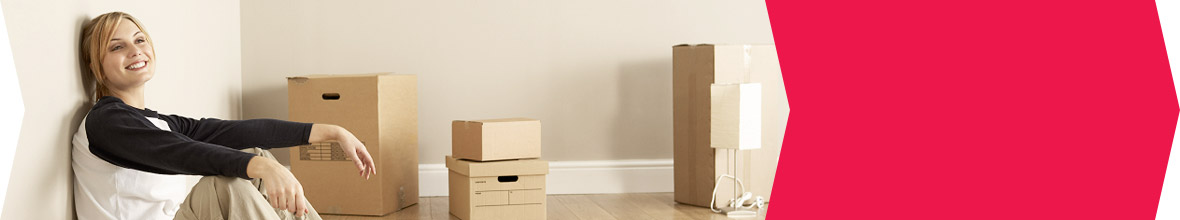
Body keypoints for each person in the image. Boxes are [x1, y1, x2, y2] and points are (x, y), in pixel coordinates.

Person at [72, 11, 376, 220]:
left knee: (256, 154)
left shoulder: (158, 122)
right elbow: (182, 153)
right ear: (96, 65)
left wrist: (332, 131)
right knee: (225, 187)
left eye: (139, 40)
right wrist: (262, 169)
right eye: (117, 47)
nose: (135, 50)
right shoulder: (106, 122)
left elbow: (231, 132)